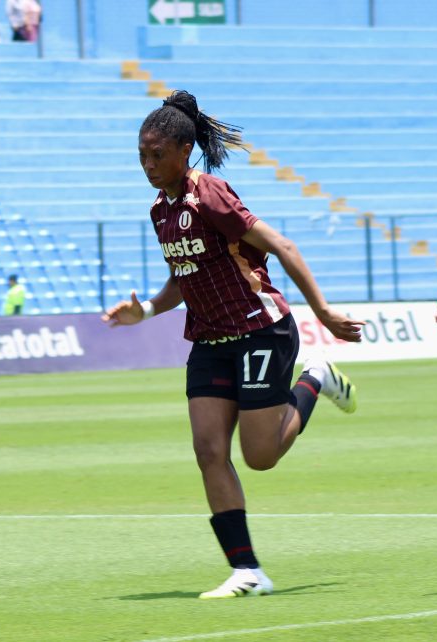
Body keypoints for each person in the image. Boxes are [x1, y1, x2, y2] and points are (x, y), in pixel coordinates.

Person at [102, 90, 364, 600]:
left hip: (259, 329)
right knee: (208, 451)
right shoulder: (161, 211)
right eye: (141, 156)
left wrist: (325, 312)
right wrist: (147, 311)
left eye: (157, 155)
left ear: (184, 150)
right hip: (208, 341)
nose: (149, 165)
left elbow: (283, 246)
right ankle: (247, 571)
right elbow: (183, 278)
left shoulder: (212, 194)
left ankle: (316, 379)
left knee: (260, 456)